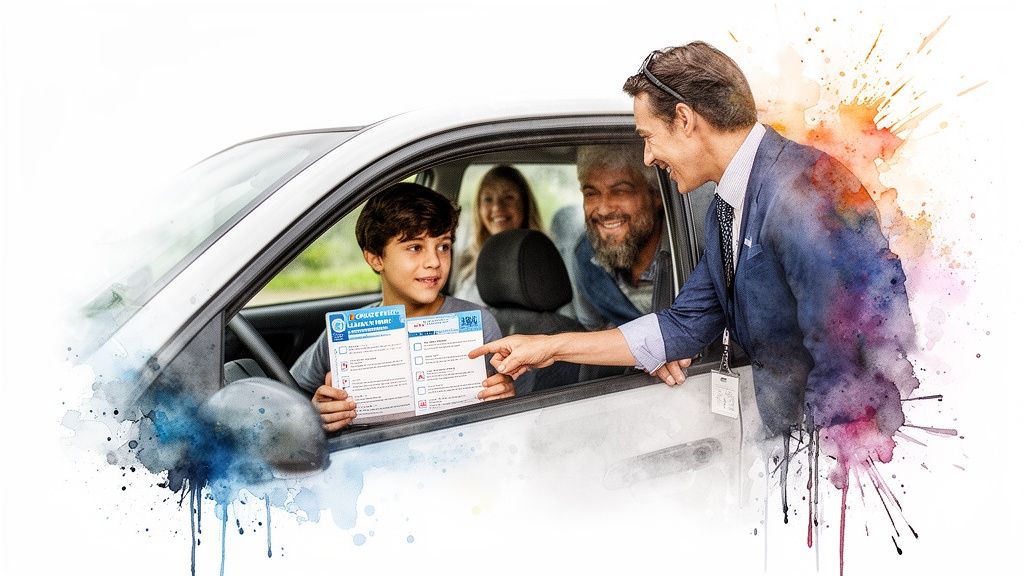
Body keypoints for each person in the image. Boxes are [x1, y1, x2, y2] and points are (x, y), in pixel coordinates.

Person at [471, 42, 919, 457]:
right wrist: (550, 348)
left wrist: (810, 478)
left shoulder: (807, 191)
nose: (647, 157)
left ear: (685, 120)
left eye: (648, 136)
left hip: (837, 462)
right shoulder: (724, 207)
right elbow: (682, 326)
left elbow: (860, 359)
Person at [291, 182, 515, 432]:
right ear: (375, 259)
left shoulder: (479, 323)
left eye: (443, 246)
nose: (434, 262)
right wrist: (315, 411)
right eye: (415, 247)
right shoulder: (347, 332)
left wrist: (504, 396)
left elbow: (506, 416)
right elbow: (291, 395)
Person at [570, 144, 663, 329]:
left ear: (656, 196)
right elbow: (592, 335)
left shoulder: (690, 247)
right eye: (591, 194)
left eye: (620, 191)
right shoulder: (586, 257)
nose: (604, 209)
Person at [453, 165, 544, 305]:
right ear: (479, 208)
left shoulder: (544, 259)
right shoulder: (467, 258)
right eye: (488, 199)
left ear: (525, 204)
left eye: (508, 197)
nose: (496, 207)